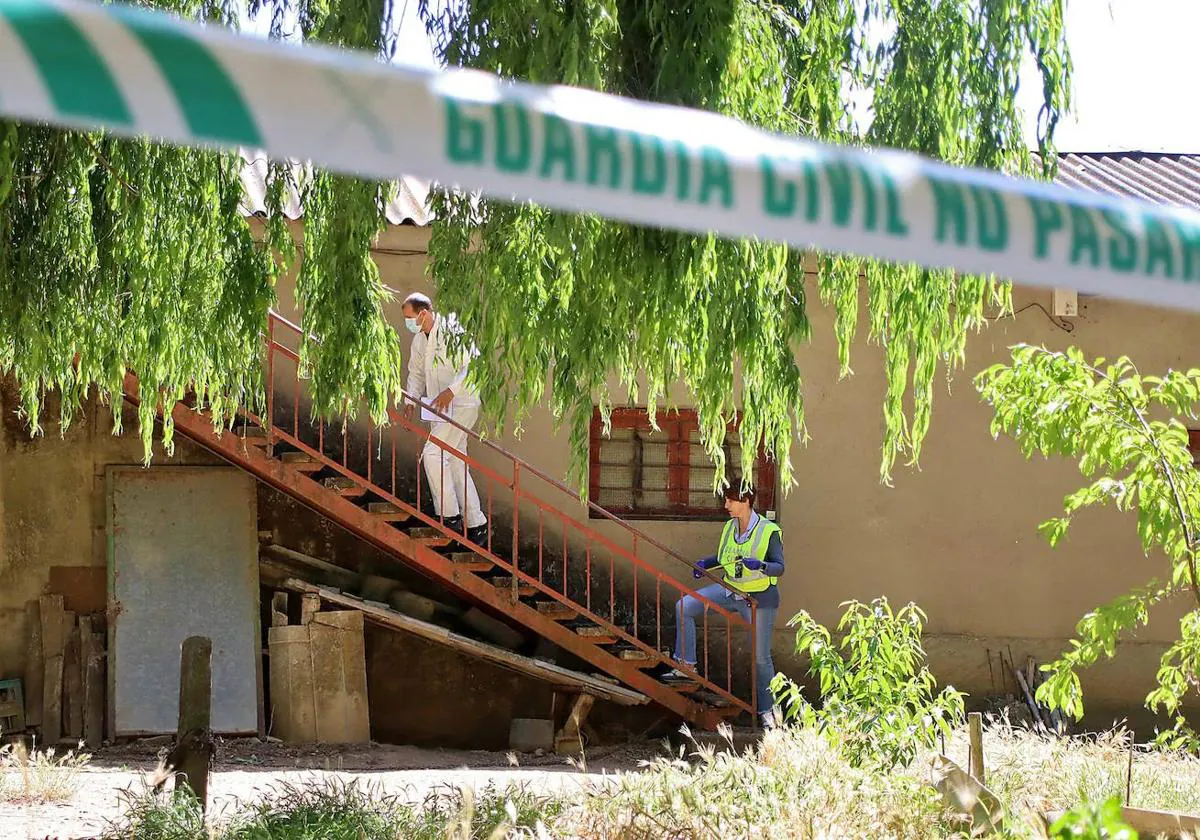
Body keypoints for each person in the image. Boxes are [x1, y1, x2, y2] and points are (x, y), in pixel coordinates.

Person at [665, 483, 785, 729]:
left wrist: (760, 566)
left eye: (731, 500)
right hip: (730, 590)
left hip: (758, 599)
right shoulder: (730, 527)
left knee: (761, 658)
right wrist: (705, 564)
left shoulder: (769, 530)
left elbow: (780, 567)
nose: (726, 506)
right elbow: (724, 558)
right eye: (727, 500)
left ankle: (770, 714)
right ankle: (686, 666)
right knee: (684, 606)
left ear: (747, 501)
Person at [401, 292, 488, 546]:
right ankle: (477, 524)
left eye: (409, 318)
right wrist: (409, 401)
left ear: (423, 314)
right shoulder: (419, 341)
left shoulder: (451, 329)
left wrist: (452, 391)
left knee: (433, 454)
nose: (408, 322)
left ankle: (449, 517)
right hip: (440, 410)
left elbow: (473, 366)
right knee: (455, 461)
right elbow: (415, 373)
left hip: (461, 403)